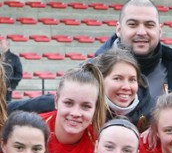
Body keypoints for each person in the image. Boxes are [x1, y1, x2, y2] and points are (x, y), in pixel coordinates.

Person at [9, 49, 154, 130]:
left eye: (132, 80)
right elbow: (7, 110)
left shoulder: (152, 111)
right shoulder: (59, 104)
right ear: (100, 80)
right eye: (117, 78)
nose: (126, 87)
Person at [96, 0, 172, 99]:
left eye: (149, 25)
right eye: (133, 24)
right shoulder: (92, 71)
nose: (141, 32)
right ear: (119, 29)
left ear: (160, 31)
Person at [0, 37, 23, 102]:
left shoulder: (14, 58)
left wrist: (12, 86)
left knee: (5, 108)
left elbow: (19, 74)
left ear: (7, 45)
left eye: (1, 43)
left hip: (6, 90)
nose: (0, 45)